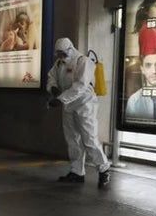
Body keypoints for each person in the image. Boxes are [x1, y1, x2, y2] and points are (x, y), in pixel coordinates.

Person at [46, 37, 111, 187]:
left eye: (62, 53)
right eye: (58, 54)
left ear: (70, 49)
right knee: (72, 139)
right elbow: (51, 77)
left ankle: (104, 169)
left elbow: (80, 86)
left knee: (89, 139)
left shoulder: (83, 61)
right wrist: (53, 87)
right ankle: (77, 172)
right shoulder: (59, 63)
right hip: (68, 105)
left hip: (85, 104)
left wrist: (60, 99)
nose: (61, 57)